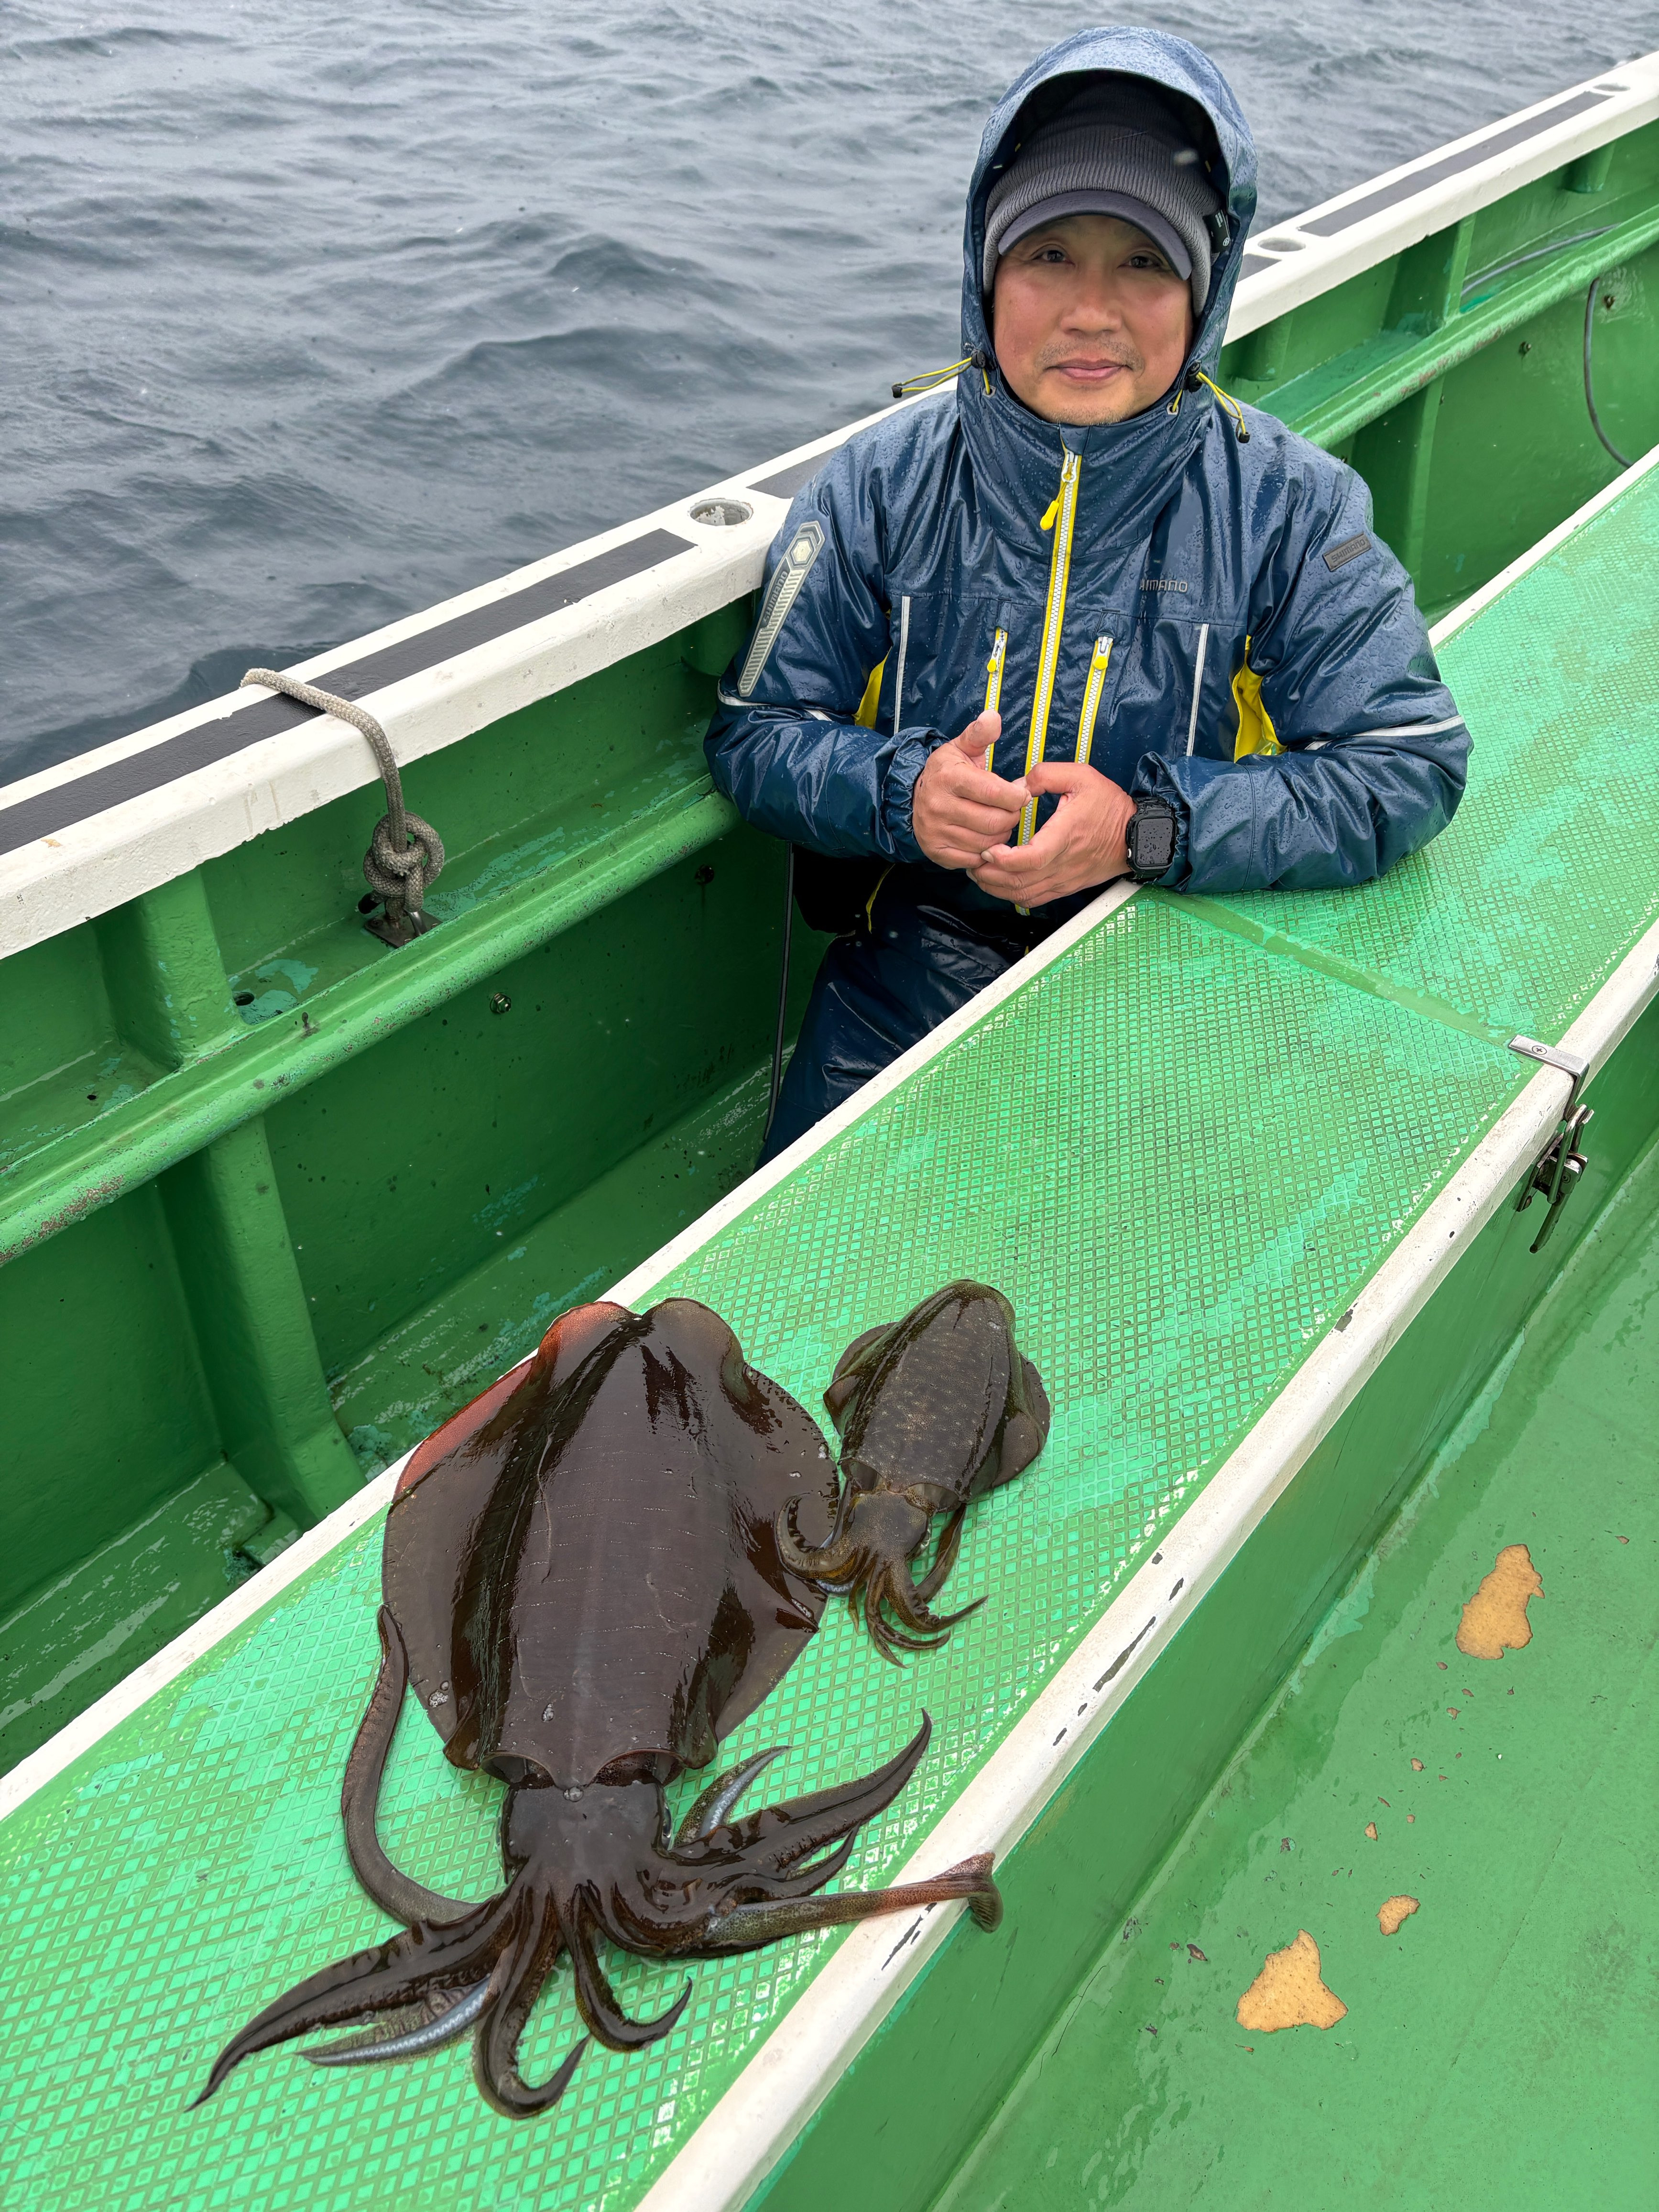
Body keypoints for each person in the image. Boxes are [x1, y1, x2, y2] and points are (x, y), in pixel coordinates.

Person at [706, 25, 1467, 1165]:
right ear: (986, 272)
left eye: (1144, 263)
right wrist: (900, 793)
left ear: (1203, 292)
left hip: (1181, 937)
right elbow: (755, 733)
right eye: (1049, 255)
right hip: (907, 967)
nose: (1091, 310)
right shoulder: (872, 484)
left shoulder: (1292, 507)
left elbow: (1407, 763)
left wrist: (1147, 831)